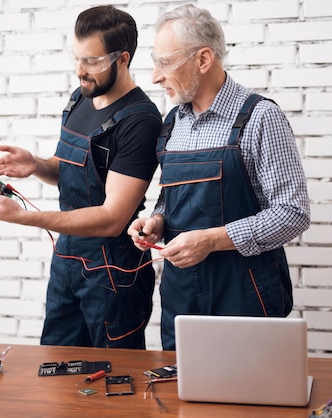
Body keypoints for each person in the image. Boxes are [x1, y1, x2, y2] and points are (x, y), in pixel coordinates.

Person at [0, 5, 161, 349]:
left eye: (91, 61)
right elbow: (68, 169)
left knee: (112, 377)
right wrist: (37, 164)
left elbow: (111, 218)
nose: (80, 71)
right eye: (76, 58)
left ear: (122, 59)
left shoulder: (140, 121)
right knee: (55, 366)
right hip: (67, 259)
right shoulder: (81, 97)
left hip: (112, 270)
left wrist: (24, 218)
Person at [128, 4, 310, 350]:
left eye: (165, 63)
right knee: (185, 398)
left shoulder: (260, 118)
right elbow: (174, 197)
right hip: (182, 298)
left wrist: (210, 240)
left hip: (246, 296)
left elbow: (293, 213)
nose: (154, 76)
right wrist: (156, 220)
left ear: (203, 59)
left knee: (248, 399)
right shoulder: (172, 125)